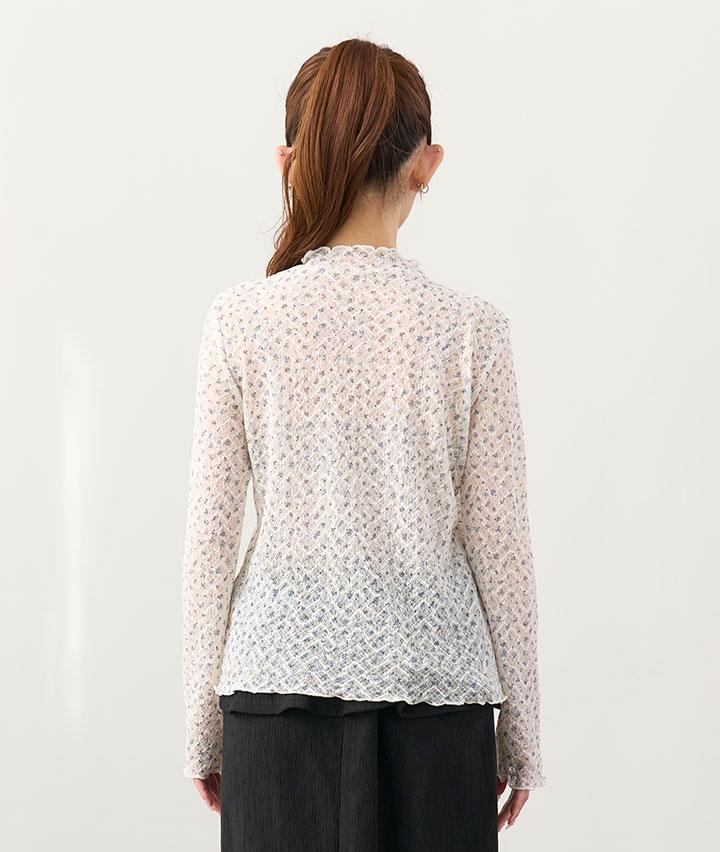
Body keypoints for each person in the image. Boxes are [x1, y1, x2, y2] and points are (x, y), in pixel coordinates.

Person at [181, 37, 546, 852]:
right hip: (438, 713)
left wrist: (202, 729)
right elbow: (502, 549)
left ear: (287, 163)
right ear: (427, 163)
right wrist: (522, 735)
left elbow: (208, 545)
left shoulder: (238, 322)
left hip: (274, 704)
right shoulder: (473, 332)